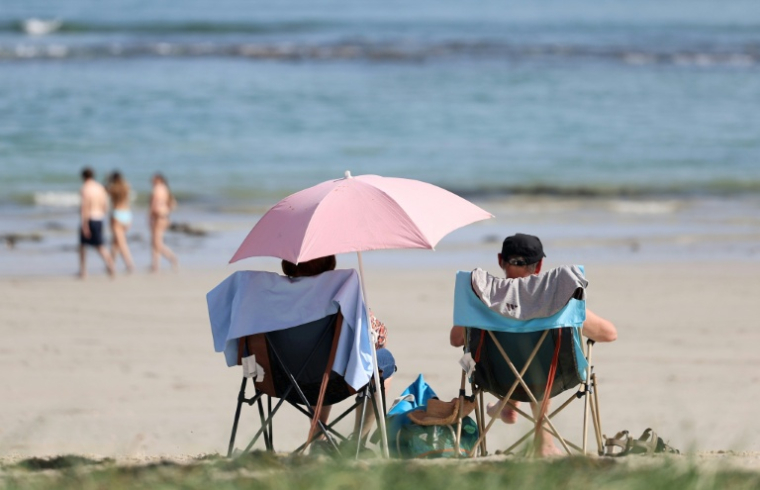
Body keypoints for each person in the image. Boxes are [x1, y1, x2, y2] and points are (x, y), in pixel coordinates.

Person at [449, 233, 617, 457]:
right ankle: (544, 442)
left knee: (516, 361)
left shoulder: (482, 301)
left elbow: (456, 340)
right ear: (539, 266)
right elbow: (609, 334)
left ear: (501, 260)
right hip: (550, 377)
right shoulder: (558, 300)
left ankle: (508, 402)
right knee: (542, 361)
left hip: (493, 378)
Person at [281, 255, 396, 444]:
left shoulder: (272, 297)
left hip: (283, 381)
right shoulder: (342, 291)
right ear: (329, 262)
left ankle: (318, 436)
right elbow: (377, 338)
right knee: (384, 360)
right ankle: (357, 441)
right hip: (336, 382)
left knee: (312, 361)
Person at [78, 167, 115, 279]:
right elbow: (105, 206)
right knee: (98, 245)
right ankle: (111, 265)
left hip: (89, 218)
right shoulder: (100, 188)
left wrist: (84, 225)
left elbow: (84, 207)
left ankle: (84, 271)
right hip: (99, 218)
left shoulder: (85, 188)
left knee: (87, 246)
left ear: (83, 177)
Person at [106, 171, 135, 273]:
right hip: (127, 214)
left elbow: (104, 190)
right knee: (116, 242)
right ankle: (110, 264)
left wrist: (107, 180)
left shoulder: (112, 188)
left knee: (121, 242)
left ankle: (129, 263)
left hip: (117, 214)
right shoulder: (126, 187)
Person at [149, 173, 178, 272]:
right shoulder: (166, 189)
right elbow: (173, 204)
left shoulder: (157, 189)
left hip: (158, 217)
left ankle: (172, 257)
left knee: (156, 243)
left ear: (159, 179)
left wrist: (150, 216)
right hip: (165, 216)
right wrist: (166, 210)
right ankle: (155, 265)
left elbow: (153, 205)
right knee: (156, 241)